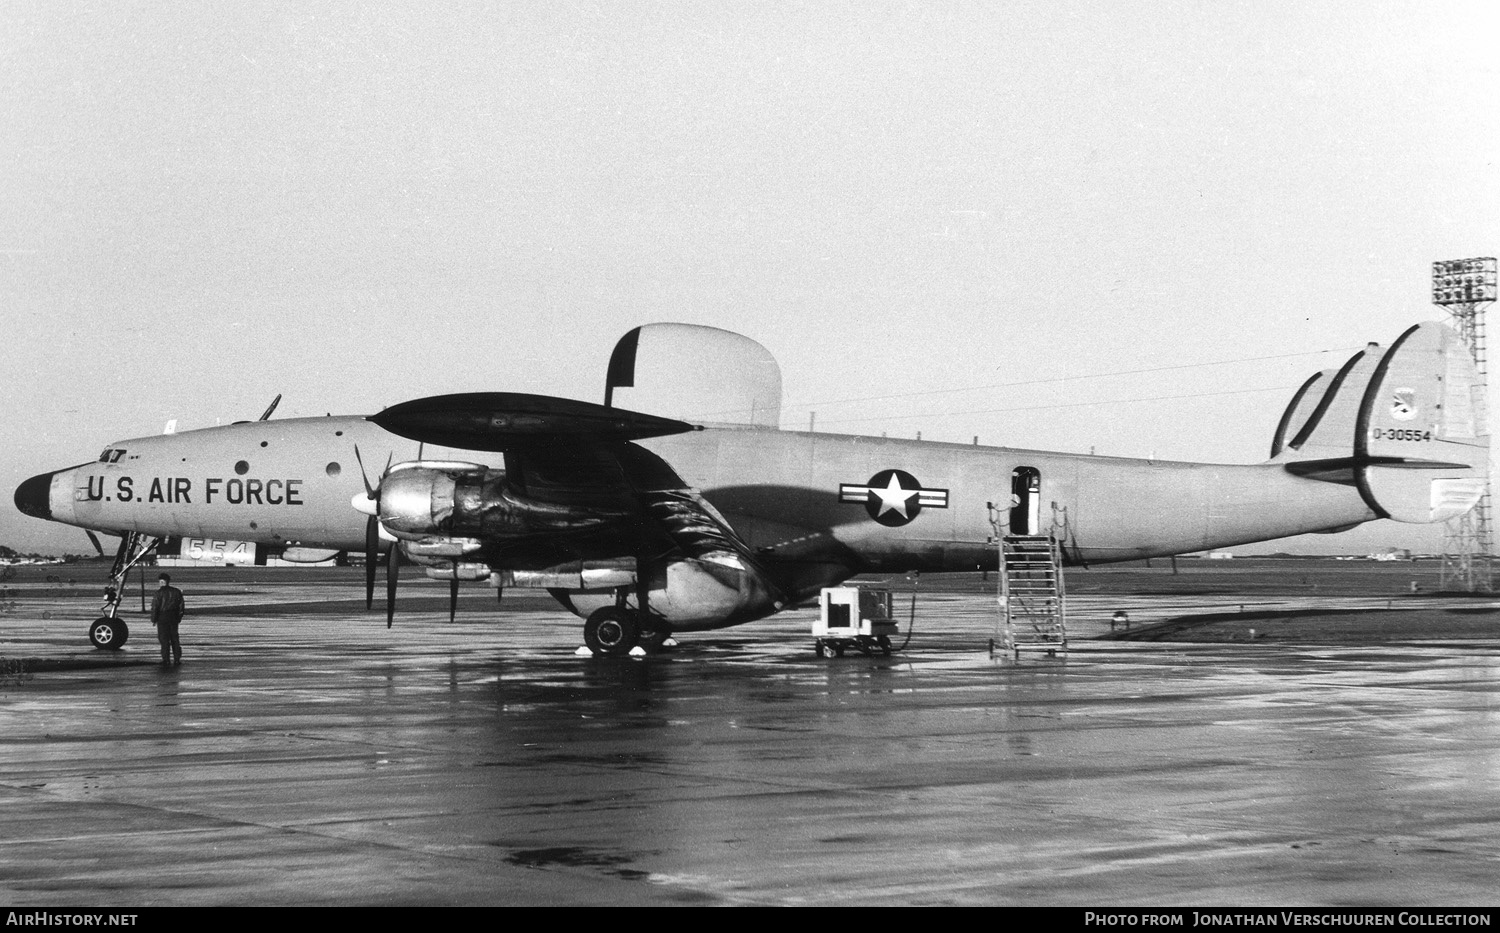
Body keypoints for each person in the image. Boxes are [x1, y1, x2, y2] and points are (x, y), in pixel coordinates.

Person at [151, 573, 186, 665]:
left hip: (162, 617)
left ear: (161, 582)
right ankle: (177, 658)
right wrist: (179, 617)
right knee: (174, 638)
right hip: (173, 617)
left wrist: (154, 619)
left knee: (164, 639)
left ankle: (166, 659)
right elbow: (181, 606)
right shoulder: (176, 592)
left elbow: (155, 607)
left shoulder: (158, 593)